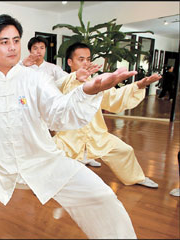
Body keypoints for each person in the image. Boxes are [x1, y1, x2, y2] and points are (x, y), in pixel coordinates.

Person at [0, 14, 144, 238]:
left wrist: (88, 91)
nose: (12, 47)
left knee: (102, 195)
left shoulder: (36, 80)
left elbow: (59, 112)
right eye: (4, 41)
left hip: (44, 162)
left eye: (16, 41)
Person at [52, 42, 161, 189]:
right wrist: (76, 76)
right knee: (49, 157)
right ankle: (46, 184)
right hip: (68, 138)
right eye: (81, 59)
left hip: (97, 135)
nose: (86, 63)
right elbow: (53, 89)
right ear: (70, 62)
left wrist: (139, 85)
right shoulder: (65, 82)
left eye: (88, 59)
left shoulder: (96, 83)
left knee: (125, 150)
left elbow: (113, 98)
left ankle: (136, 178)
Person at [22, 37, 102, 167]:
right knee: (31, 133)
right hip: (29, 104)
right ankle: (32, 159)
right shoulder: (23, 67)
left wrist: (81, 75)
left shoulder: (52, 68)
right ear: (29, 50)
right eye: (35, 48)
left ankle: (83, 155)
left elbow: (67, 79)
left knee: (72, 131)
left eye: (42, 48)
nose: (38, 51)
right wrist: (22, 65)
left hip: (47, 104)